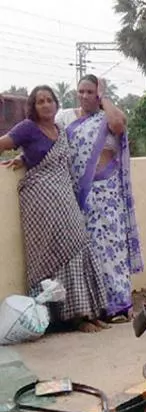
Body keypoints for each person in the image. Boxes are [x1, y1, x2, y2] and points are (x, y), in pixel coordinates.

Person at [0, 86, 108, 332]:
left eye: (49, 100)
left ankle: (87, 313)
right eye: (40, 102)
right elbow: (5, 143)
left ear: (56, 104)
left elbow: (45, 157)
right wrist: (21, 158)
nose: (46, 105)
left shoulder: (59, 130)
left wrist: (25, 159)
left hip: (64, 197)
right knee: (56, 253)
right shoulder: (27, 127)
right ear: (33, 106)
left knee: (78, 245)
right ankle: (71, 319)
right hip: (40, 201)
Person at [56, 74, 143, 323]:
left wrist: (104, 98)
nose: (84, 96)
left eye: (89, 92)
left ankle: (118, 306)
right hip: (80, 196)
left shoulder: (108, 116)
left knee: (111, 248)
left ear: (98, 93)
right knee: (91, 249)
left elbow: (118, 125)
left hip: (107, 193)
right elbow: (51, 143)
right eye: (80, 91)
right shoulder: (67, 118)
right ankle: (97, 306)